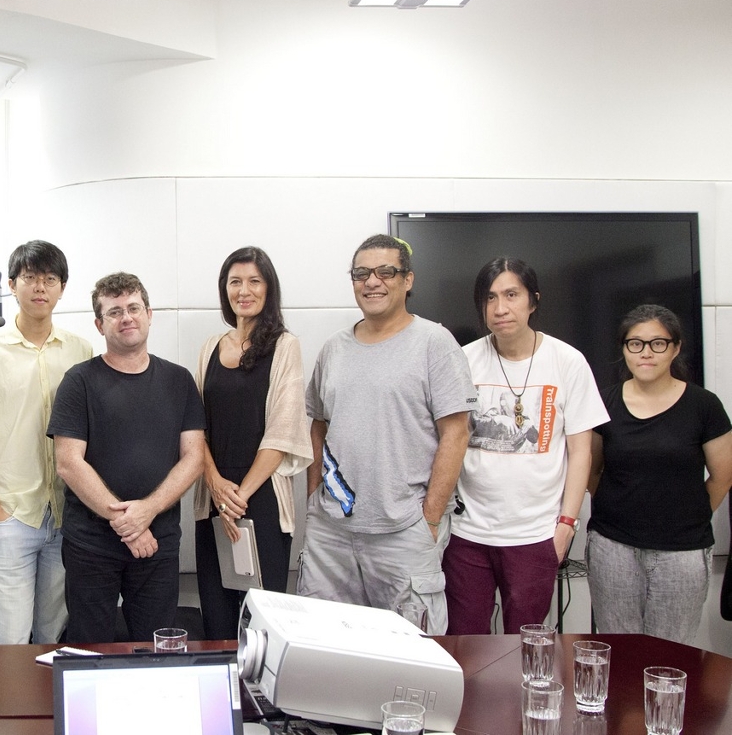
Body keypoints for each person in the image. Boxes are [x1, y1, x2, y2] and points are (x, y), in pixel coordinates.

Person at [296, 234, 475, 635]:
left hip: (403, 533)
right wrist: (314, 502)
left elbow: (456, 433)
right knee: (327, 650)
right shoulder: (333, 349)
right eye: (361, 273)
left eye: (385, 272)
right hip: (333, 534)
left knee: (411, 660)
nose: (371, 281)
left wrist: (428, 519)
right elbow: (318, 427)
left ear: (407, 280)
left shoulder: (435, 343)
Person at [444, 258, 608, 634]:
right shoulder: (462, 360)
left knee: (529, 646)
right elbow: (445, 440)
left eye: (511, 295)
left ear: (533, 300)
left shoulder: (568, 362)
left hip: (535, 534)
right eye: (489, 298)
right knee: (465, 644)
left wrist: (567, 525)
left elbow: (580, 451)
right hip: (467, 533)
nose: (500, 308)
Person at [49, 272, 206, 643]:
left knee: (157, 646)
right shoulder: (79, 381)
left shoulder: (179, 381)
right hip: (91, 545)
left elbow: (194, 458)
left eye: (134, 308)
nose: (126, 317)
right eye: (114, 311)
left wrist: (146, 513)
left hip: (158, 542)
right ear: (99, 324)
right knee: (90, 649)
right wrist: (128, 523)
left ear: (149, 314)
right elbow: (69, 462)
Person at [0, 240, 92, 645]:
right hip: (12, 514)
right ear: (13, 284)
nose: (40, 288)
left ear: (62, 288)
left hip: (67, 513)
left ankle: (44, 710)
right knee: (10, 636)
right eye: (30, 278)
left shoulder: (80, 351)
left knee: (50, 632)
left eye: (50, 279)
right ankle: (6, 707)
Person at [587, 304, 732, 646]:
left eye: (658, 343)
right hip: (613, 549)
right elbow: (592, 472)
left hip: (682, 554)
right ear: (624, 350)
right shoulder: (603, 403)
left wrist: (685, 517)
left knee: (670, 658)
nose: (646, 353)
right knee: (619, 654)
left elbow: (722, 477)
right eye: (635, 343)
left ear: (676, 347)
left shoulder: (704, 405)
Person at [193, 247, 310, 640]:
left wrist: (238, 497)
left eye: (254, 281)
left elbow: (283, 431)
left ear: (268, 288)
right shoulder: (211, 346)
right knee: (217, 614)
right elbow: (195, 428)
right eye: (235, 282)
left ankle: (262, 701)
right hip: (214, 496)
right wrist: (216, 486)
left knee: (262, 621)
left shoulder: (284, 345)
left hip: (259, 496)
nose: (244, 290)